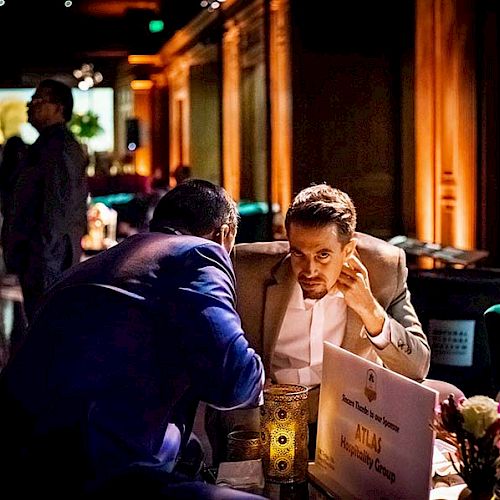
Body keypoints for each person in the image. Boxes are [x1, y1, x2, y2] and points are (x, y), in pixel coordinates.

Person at [0, 179, 265, 498]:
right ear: (225, 234)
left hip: (22, 458)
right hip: (102, 471)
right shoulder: (200, 252)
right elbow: (234, 380)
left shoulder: (89, 268)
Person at [206, 183, 455, 463]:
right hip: (266, 417)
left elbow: (417, 366)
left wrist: (370, 311)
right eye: (298, 253)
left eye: (323, 255)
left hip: (349, 421)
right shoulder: (245, 267)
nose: (309, 270)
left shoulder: (384, 267)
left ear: (348, 250)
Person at [2, 78, 88, 322]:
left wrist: (41, 260)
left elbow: (57, 212)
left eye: (39, 101)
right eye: (31, 100)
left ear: (59, 108)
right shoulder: (46, 145)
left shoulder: (59, 148)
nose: (31, 106)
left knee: (46, 328)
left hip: (47, 261)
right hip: (41, 259)